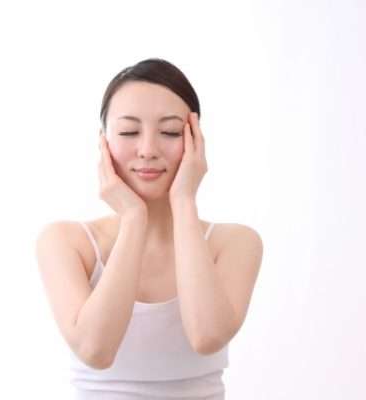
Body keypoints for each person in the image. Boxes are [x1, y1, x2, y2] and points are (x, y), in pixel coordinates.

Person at [35, 58, 263, 399]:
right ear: (104, 143)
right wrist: (133, 219)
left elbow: (207, 336)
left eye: (170, 132)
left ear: (196, 141)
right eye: (129, 132)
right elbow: (96, 350)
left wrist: (184, 201)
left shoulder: (235, 242)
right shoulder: (65, 241)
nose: (147, 150)